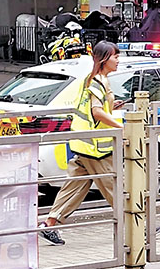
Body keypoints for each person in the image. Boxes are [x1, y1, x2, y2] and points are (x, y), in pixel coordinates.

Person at [38, 42, 125, 245]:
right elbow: (96, 112)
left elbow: (94, 109)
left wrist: (112, 105)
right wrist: (121, 127)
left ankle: (49, 225)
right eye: (115, 57)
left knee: (74, 187)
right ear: (104, 59)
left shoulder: (90, 79)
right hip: (96, 149)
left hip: (83, 144)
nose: (118, 61)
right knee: (116, 188)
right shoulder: (98, 81)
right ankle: (141, 225)